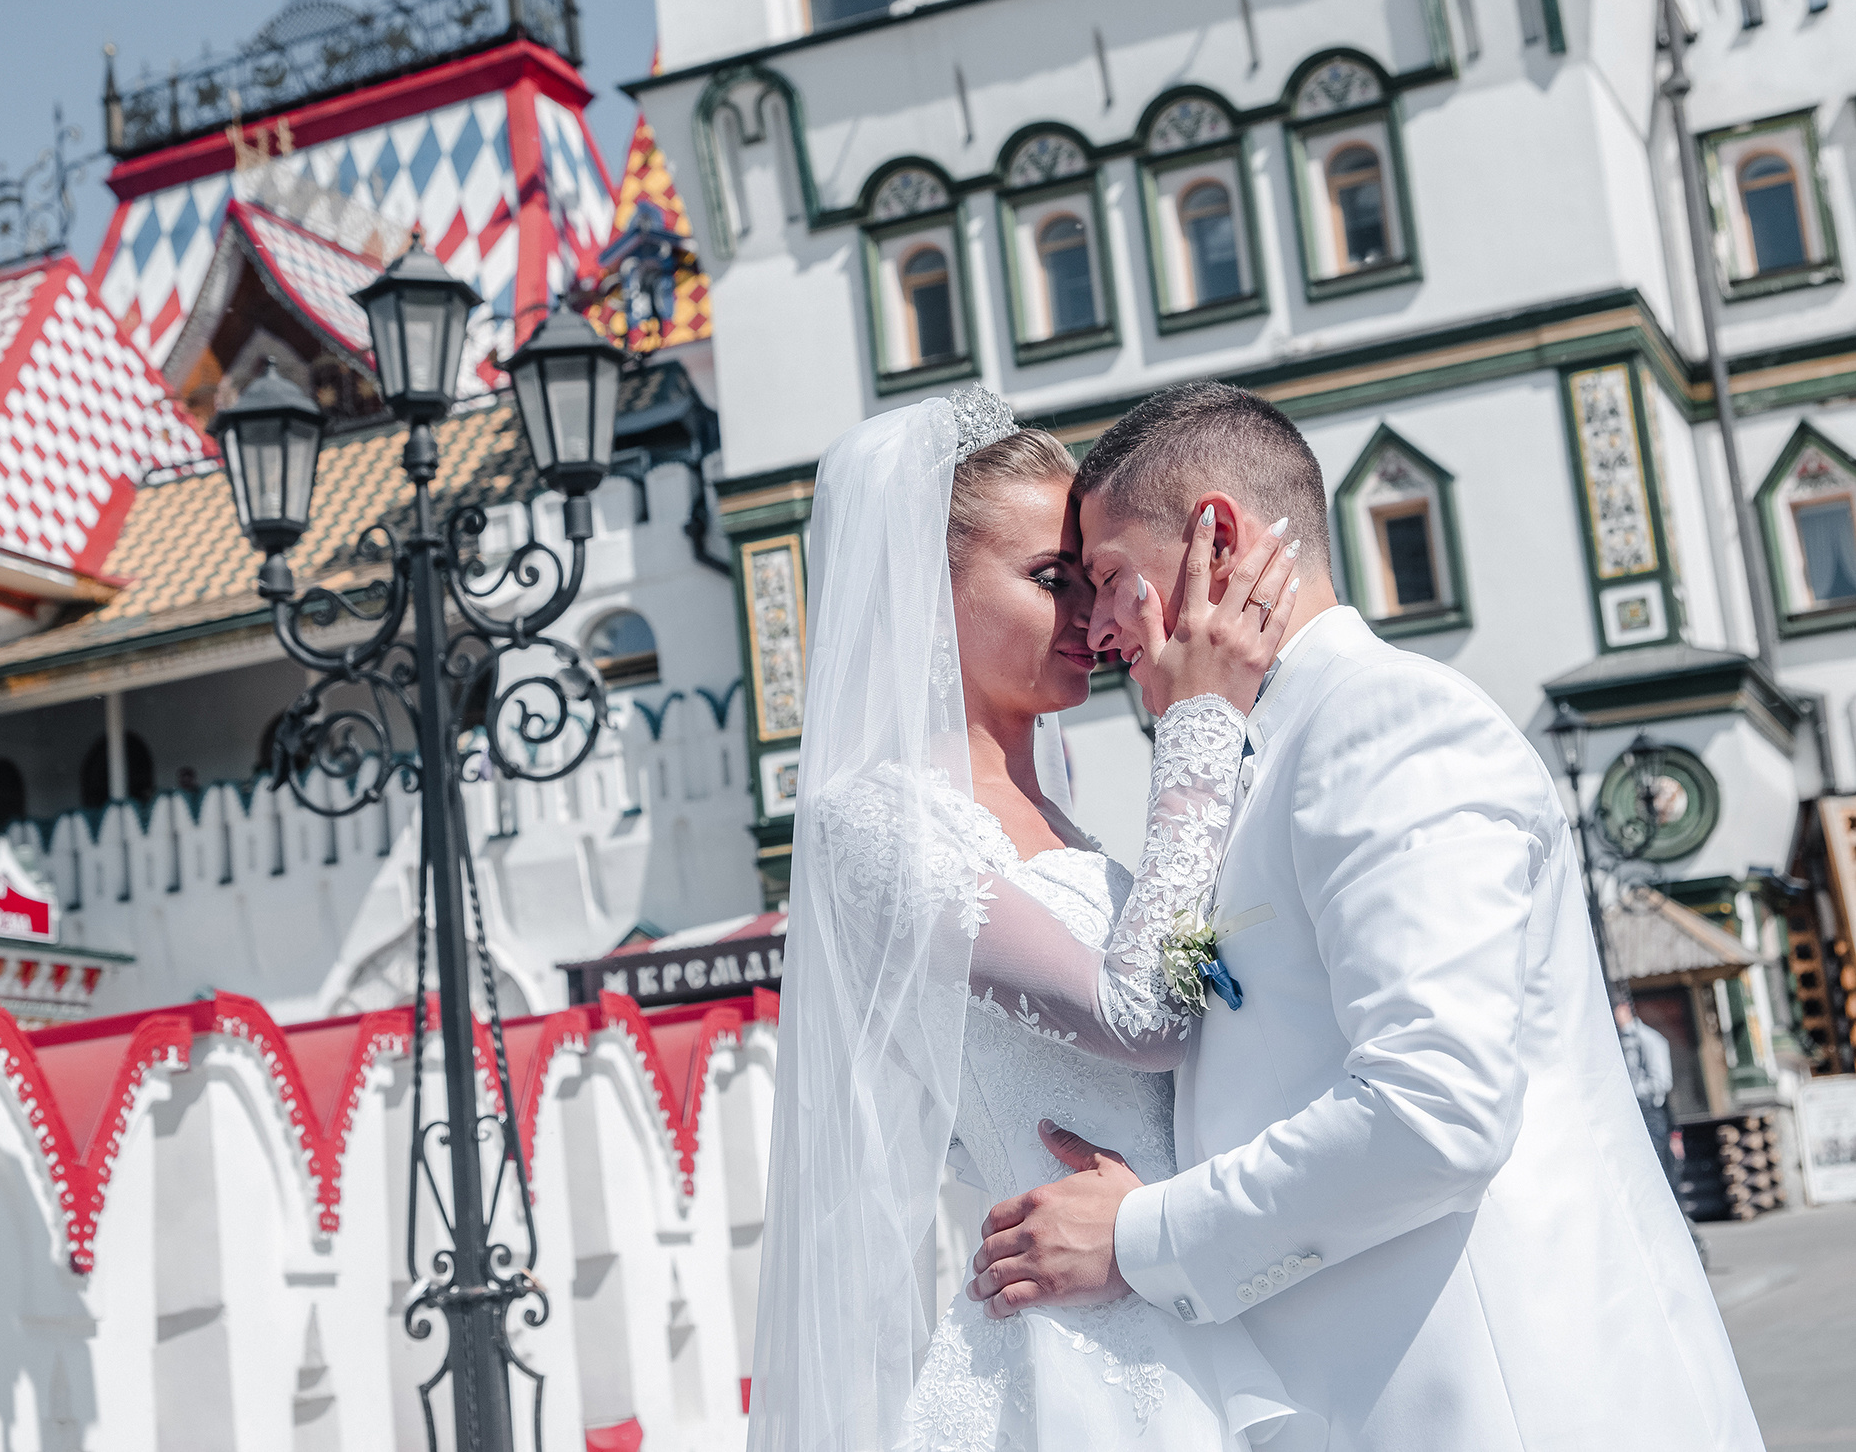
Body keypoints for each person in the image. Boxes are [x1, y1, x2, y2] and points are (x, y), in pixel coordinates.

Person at [964, 382, 1759, 1450]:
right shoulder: (1263, 757)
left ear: (1216, 537)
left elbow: (1435, 1111)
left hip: (1501, 1400)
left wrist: (1138, 1236)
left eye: (1106, 578)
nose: (1097, 628)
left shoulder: (1385, 722)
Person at [749, 384, 1312, 1452]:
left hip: (1186, 1294)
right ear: (925, 588)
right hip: (1077, 1360)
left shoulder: (1059, 817)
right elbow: (1140, 1016)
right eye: (1053, 580)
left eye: (1093, 584)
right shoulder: (871, 818)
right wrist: (1195, 721)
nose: (1092, 621)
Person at [1617, 997, 1680, 1189]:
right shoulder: (1617, 1040)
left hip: (1649, 1112)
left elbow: (1662, 1081)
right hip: (1627, 1112)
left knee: (1655, 1167)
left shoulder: (1650, 1039)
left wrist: (1632, 1091)